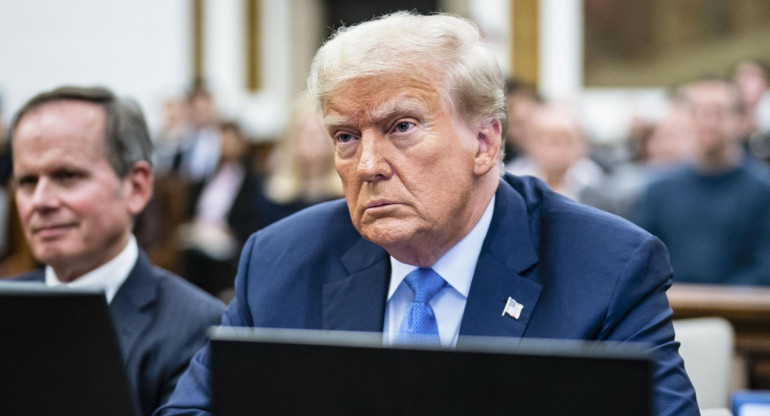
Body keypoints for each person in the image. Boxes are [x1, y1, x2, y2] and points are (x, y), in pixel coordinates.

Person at [157, 12, 697, 416]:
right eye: (346, 136)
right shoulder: (280, 261)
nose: (367, 165)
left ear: (484, 142)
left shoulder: (605, 267)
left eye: (402, 128)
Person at [7, 86, 225, 416]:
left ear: (136, 187)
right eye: (26, 181)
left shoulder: (197, 327)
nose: (40, 201)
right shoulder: (7, 307)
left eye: (67, 176)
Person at [636, 76, 770, 285]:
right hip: (670, 311)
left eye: (718, 112)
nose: (708, 122)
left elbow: (764, 266)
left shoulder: (763, 191)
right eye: (699, 112)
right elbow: (642, 259)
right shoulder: (658, 190)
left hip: (743, 314)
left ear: (740, 119)